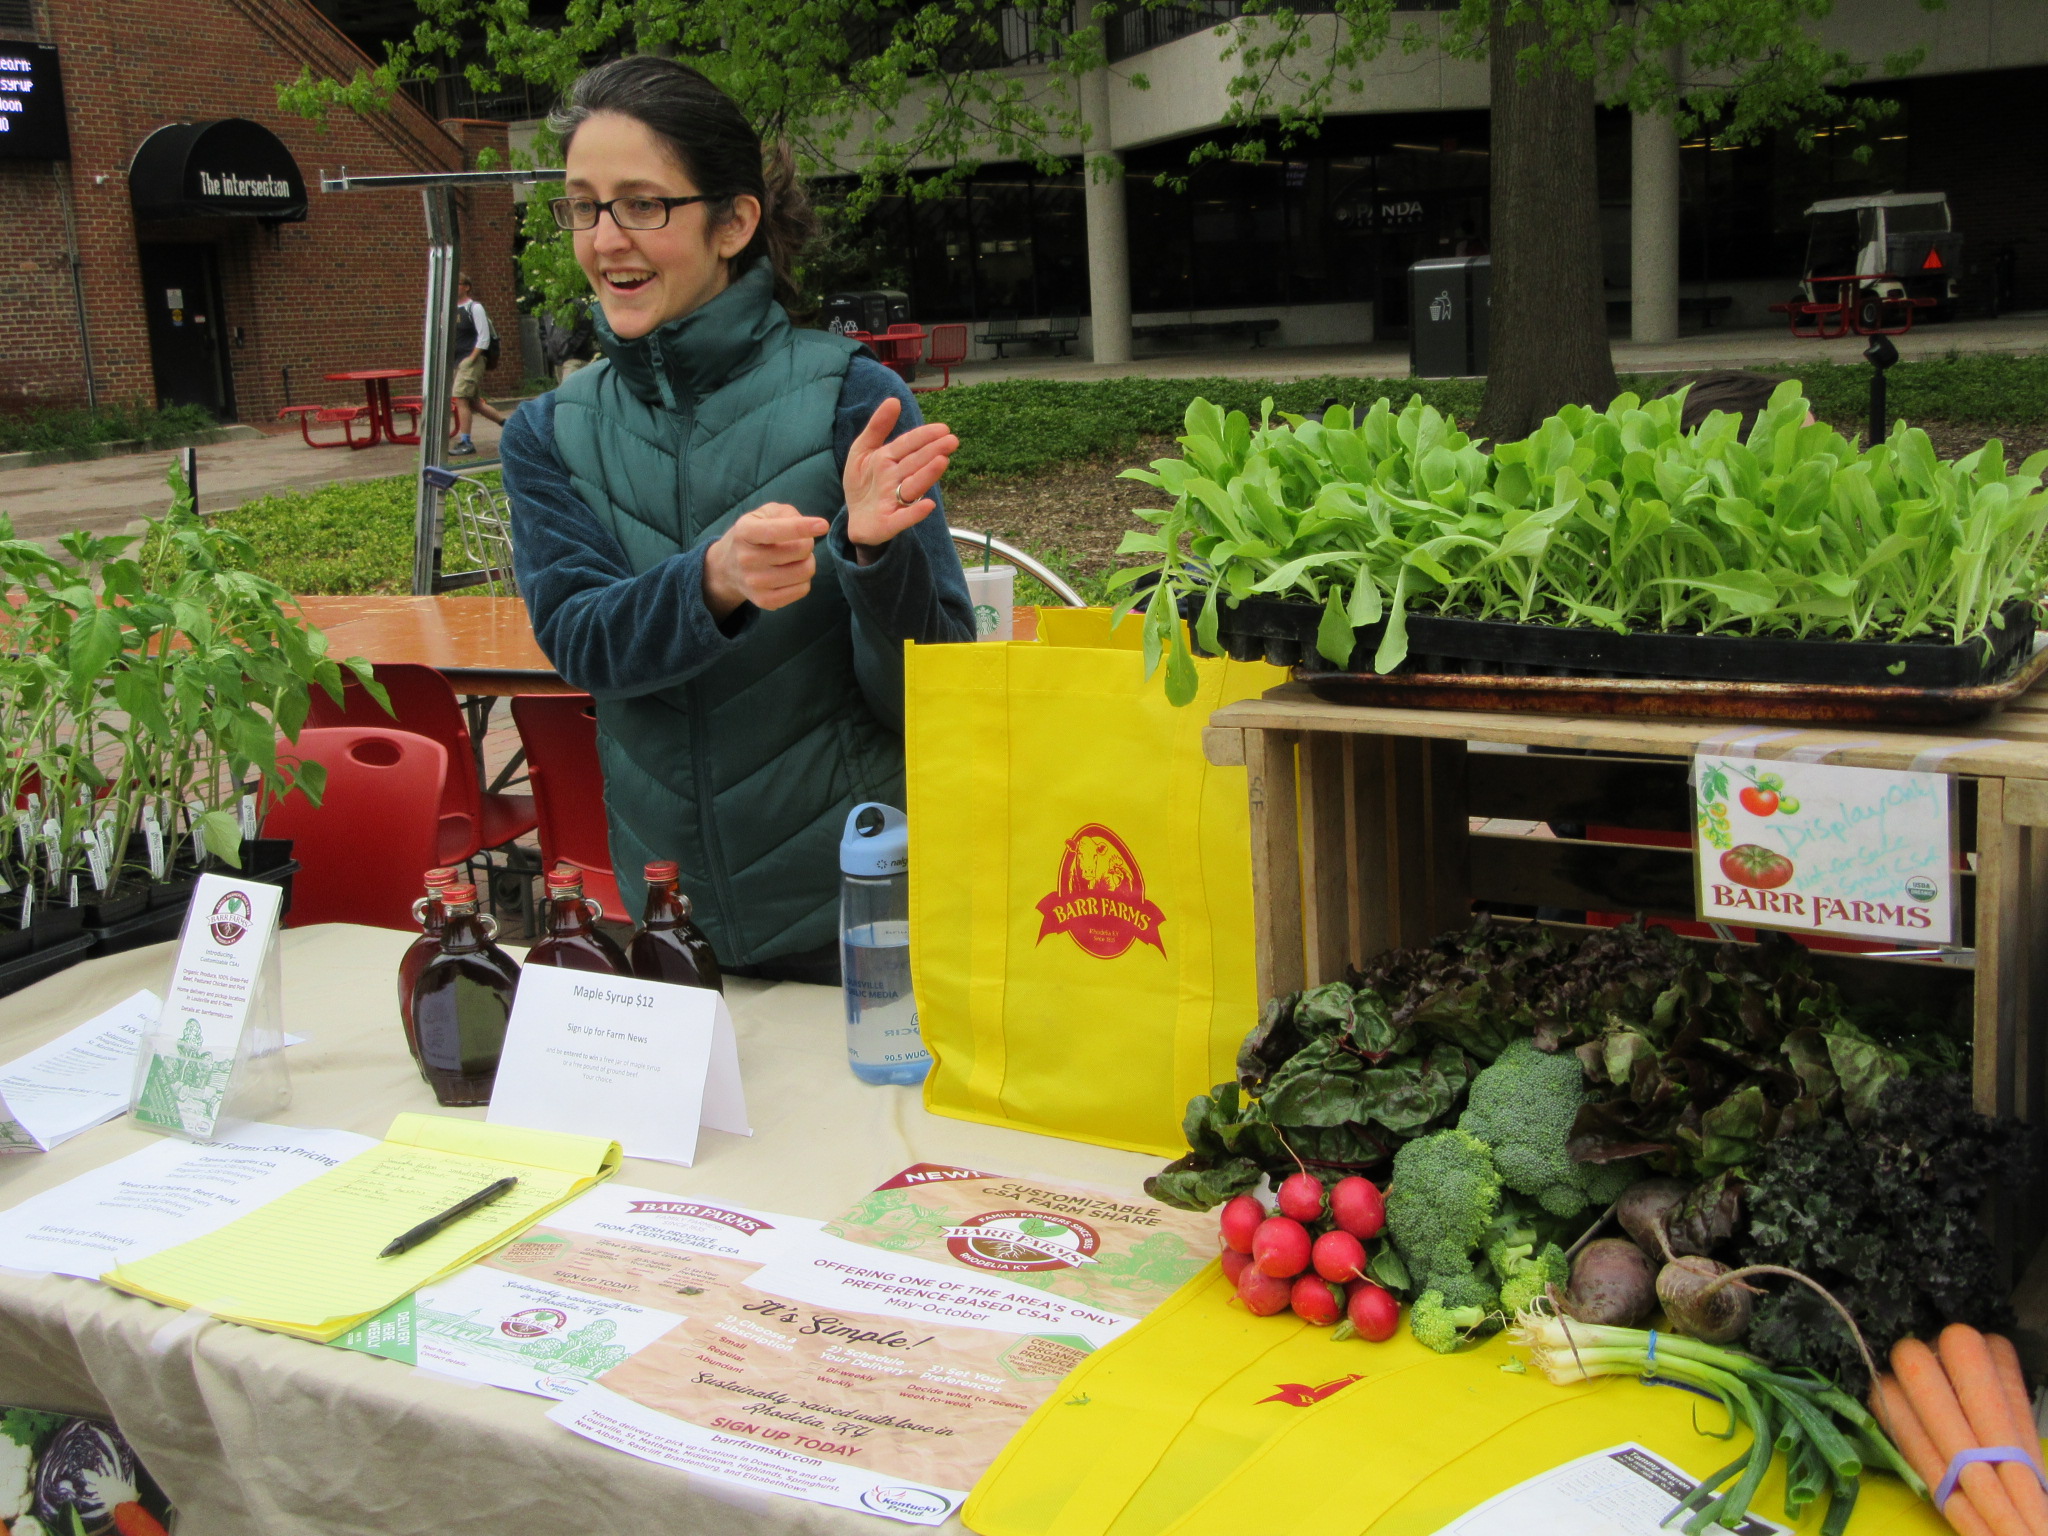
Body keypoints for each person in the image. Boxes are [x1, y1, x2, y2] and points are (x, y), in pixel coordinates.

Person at [499, 56, 975, 985]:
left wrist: (875, 559)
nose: (606, 239)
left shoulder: (853, 399)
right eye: (583, 206)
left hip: (863, 916)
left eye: (642, 204)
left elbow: (933, 693)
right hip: (671, 917)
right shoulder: (548, 431)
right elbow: (583, 641)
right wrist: (710, 583)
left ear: (734, 223)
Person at [448, 275, 507, 456]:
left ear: (466, 287)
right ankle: (510, 426)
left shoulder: (474, 308)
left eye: (456, 283)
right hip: (456, 362)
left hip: (471, 360)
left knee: (460, 398)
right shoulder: (449, 310)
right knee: (474, 403)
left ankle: (466, 441)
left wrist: (471, 358)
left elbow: (484, 337)